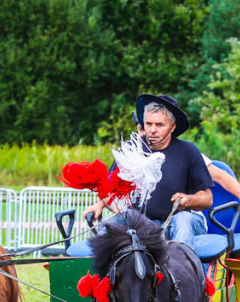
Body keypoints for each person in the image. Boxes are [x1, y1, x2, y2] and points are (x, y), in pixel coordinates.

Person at [84, 95, 212, 248]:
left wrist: (188, 200)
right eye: (148, 124)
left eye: (159, 125)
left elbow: (207, 198)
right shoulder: (130, 149)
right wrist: (108, 203)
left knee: (183, 220)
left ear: (172, 126)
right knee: (109, 226)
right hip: (137, 222)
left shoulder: (188, 152)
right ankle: (102, 271)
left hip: (176, 222)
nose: (152, 130)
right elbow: (108, 191)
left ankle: (179, 270)